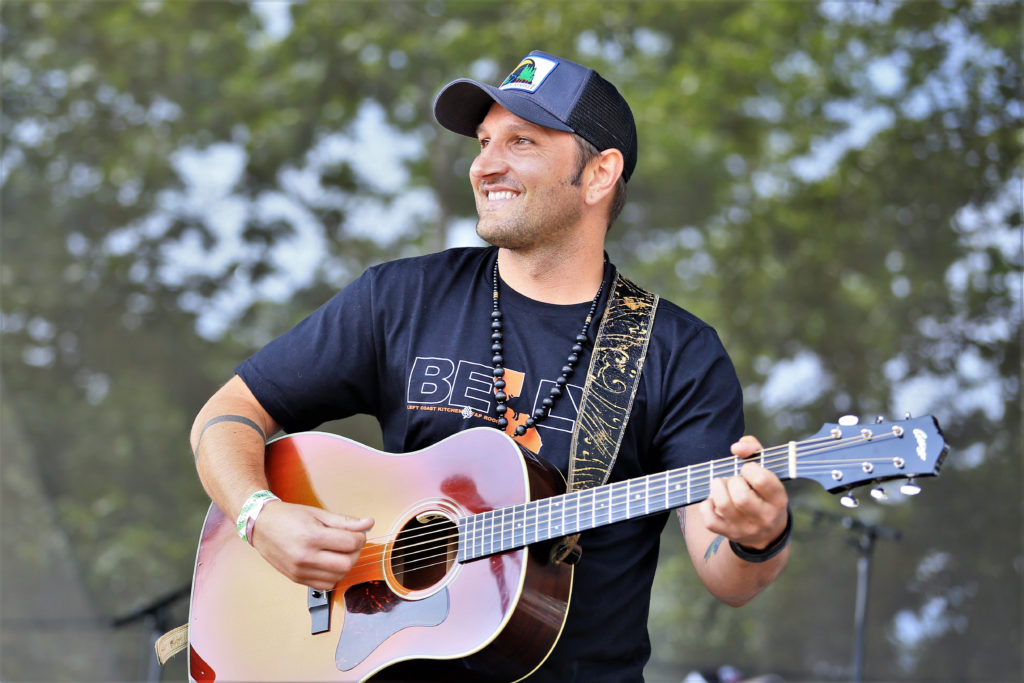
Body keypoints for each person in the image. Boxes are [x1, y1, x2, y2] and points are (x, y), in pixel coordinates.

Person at [191, 49, 790, 681]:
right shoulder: (401, 298)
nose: (485, 165)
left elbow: (727, 573)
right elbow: (228, 414)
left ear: (599, 174)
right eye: (483, 142)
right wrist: (261, 516)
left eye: (521, 141)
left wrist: (759, 533)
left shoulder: (676, 352)